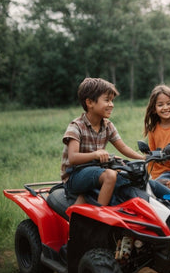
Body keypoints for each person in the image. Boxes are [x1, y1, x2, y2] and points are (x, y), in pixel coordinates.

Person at [60, 77, 147, 206]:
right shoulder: (76, 126)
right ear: (90, 103)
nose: (111, 104)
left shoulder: (107, 125)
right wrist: (96, 154)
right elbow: (73, 158)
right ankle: (100, 219)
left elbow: (123, 147)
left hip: (95, 170)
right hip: (75, 175)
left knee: (129, 175)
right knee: (110, 176)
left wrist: (144, 158)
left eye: (112, 100)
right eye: (107, 100)